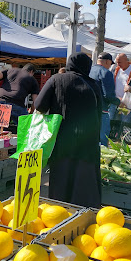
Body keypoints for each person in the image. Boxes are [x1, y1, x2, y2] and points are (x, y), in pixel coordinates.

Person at [36, 53, 103, 207]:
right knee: (83, 180)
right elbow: (100, 113)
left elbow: (39, 105)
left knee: (61, 176)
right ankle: (84, 214)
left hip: (62, 140)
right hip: (88, 143)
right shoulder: (94, 84)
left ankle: (60, 214)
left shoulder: (56, 79)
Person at [89, 52, 120, 146]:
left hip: (88, 109)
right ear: (107, 61)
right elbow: (108, 95)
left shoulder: (89, 70)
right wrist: (119, 102)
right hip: (102, 110)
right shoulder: (106, 73)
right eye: (111, 63)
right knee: (102, 138)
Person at [110, 53, 131, 120]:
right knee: (110, 120)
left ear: (126, 60)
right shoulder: (115, 69)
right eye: (117, 62)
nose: (118, 64)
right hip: (114, 100)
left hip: (126, 103)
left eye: (120, 62)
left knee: (125, 122)